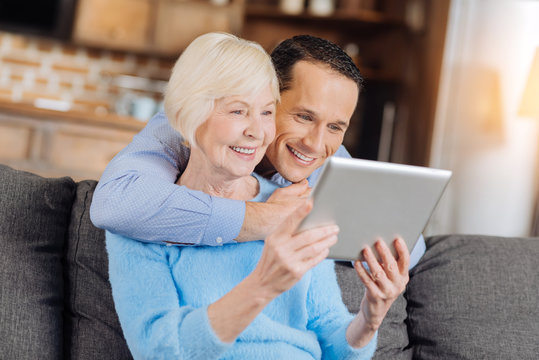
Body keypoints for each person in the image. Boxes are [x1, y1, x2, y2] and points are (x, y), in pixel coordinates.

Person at [106, 32, 409, 359]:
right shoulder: (143, 216)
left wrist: (369, 318)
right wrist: (262, 274)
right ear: (190, 113)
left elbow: (333, 339)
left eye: (265, 112)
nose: (256, 131)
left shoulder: (305, 201)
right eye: (238, 111)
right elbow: (158, 351)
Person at [90, 34, 426, 266]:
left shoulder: (326, 157)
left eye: (336, 126)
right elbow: (114, 204)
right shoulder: (192, 126)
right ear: (267, 96)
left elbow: (410, 245)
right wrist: (266, 218)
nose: (315, 143)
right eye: (304, 117)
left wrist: (304, 227)